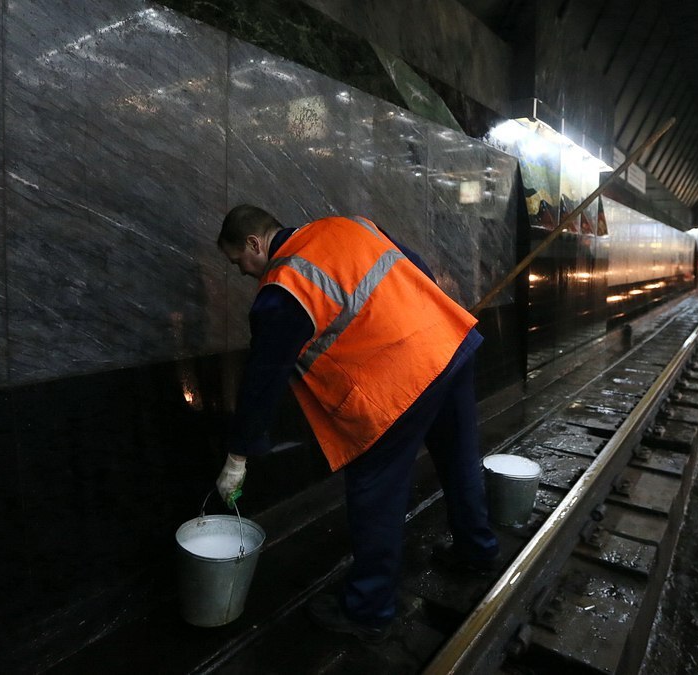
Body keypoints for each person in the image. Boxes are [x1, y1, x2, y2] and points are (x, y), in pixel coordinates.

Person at [214, 205, 499, 642]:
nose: (242, 273)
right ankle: (477, 552)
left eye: (239, 262)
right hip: (447, 341)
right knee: (460, 460)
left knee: (375, 490)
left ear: (254, 243)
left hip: (397, 381)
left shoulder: (283, 288)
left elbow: (263, 378)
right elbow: (414, 267)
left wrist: (238, 455)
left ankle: (368, 610)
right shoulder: (348, 226)